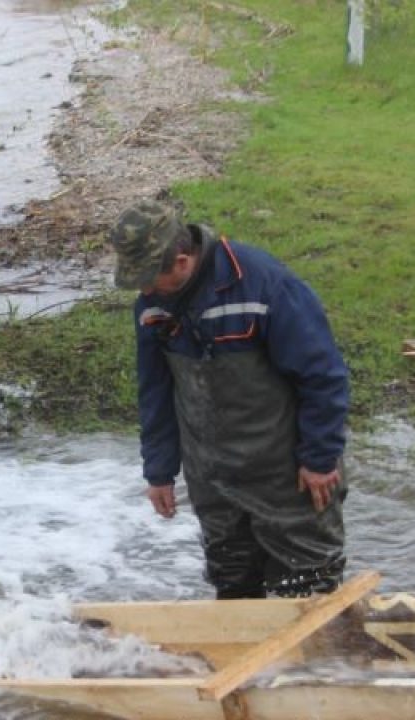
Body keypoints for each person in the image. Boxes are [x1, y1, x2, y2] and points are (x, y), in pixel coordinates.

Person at [110, 199, 350, 599]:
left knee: (308, 588)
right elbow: (154, 390)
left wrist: (320, 459)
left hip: (286, 474)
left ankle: (312, 665)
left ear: (183, 260)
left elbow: (322, 377)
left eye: (151, 277)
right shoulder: (151, 308)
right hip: (213, 477)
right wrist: (159, 471)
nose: (146, 289)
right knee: (232, 586)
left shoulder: (265, 287)